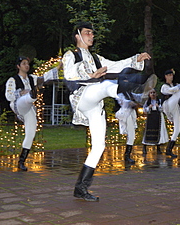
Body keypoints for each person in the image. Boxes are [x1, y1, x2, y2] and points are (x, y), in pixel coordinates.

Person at [63, 22, 153, 202]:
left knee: (99, 146)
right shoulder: (70, 55)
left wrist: (136, 59)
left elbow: (115, 65)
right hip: (82, 97)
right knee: (106, 85)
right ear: (77, 35)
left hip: (95, 103)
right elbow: (68, 73)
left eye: (92, 33)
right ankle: (132, 92)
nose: (91, 36)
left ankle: (81, 188)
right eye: (87, 33)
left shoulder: (97, 58)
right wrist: (91, 75)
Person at [5, 56, 59, 171]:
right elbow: (9, 96)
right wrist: (21, 92)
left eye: (27, 63)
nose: (27, 65)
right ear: (18, 66)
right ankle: (32, 95)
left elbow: (44, 77)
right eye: (24, 63)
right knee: (25, 99)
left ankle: (21, 162)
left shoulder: (32, 78)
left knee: (30, 134)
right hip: (18, 105)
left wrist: (59, 66)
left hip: (29, 109)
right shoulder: (13, 80)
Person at [160, 69, 180, 157]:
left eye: (172, 75)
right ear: (166, 76)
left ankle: (169, 149)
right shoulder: (164, 86)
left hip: (175, 107)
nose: (171, 76)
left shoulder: (175, 86)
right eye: (169, 75)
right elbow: (170, 91)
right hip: (167, 105)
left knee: (178, 129)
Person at [142, 89, 168, 154]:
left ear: (156, 94)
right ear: (149, 95)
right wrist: (149, 107)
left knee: (158, 132)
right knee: (148, 132)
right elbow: (144, 110)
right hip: (150, 119)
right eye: (151, 93)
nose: (153, 94)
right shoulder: (147, 102)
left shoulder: (159, 101)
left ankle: (158, 148)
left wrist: (158, 106)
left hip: (157, 118)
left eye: (154, 92)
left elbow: (163, 109)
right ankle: (144, 147)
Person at [115, 93, 139, 163]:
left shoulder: (129, 93)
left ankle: (127, 155)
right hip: (125, 113)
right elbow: (122, 102)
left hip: (130, 113)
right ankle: (127, 156)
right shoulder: (120, 94)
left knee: (132, 135)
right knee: (131, 134)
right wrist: (130, 103)